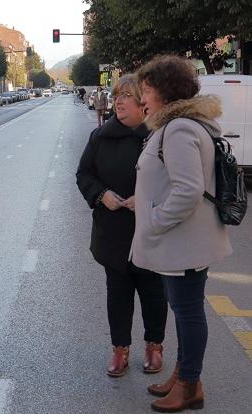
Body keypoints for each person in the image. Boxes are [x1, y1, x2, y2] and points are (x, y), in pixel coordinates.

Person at [132, 55, 232, 412]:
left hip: (182, 240)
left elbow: (187, 190)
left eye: (146, 90)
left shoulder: (179, 129)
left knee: (188, 311)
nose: (142, 98)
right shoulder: (178, 125)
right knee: (184, 309)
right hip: (183, 239)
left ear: (165, 91)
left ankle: (190, 384)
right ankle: (184, 374)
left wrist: (154, 221)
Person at [77, 74, 168, 378]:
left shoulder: (160, 137)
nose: (118, 101)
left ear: (144, 104)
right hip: (113, 231)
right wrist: (102, 195)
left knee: (154, 294)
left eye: (127, 96)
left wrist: (145, 200)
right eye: (116, 96)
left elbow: (175, 182)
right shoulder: (100, 136)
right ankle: (120, 350)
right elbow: (84, 175)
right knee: (118, 295)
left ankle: (154, 347)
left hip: (150, 231)